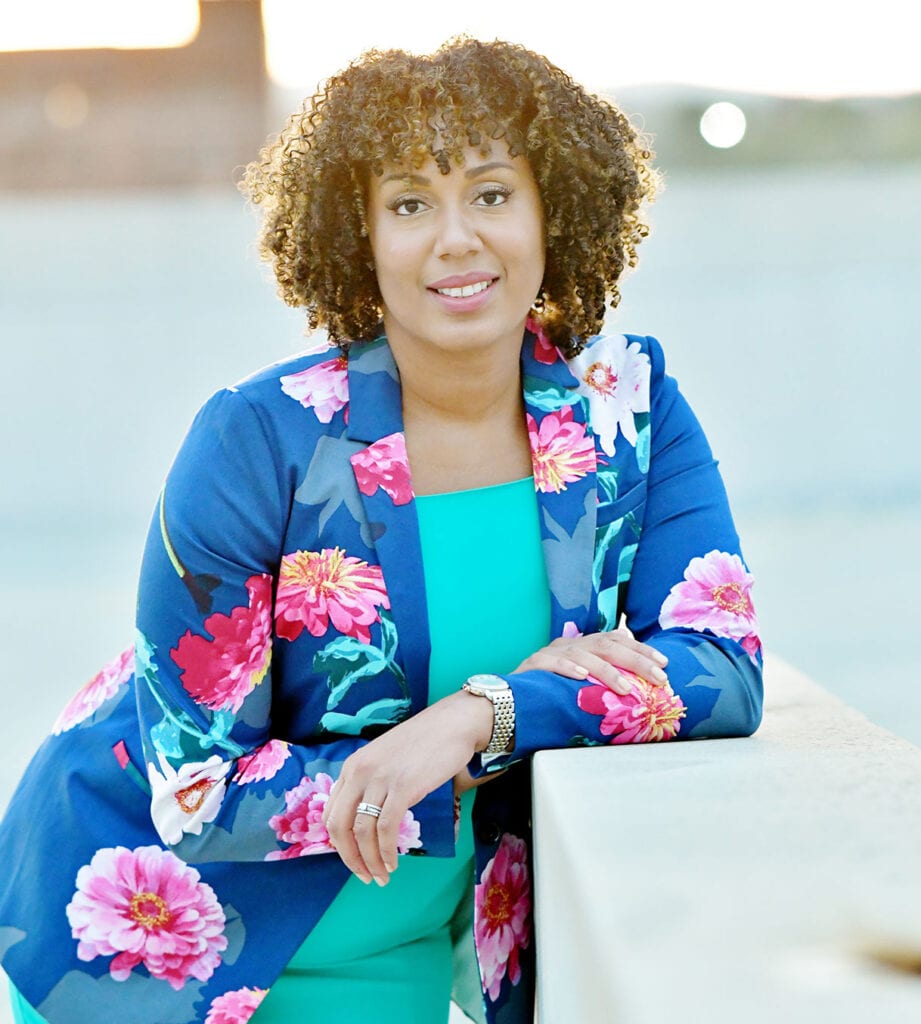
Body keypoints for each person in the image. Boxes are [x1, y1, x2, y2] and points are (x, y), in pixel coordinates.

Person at [0, 37, 763, 1024]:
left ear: (553, 211)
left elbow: (721, 667)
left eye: (492, 193)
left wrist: (481, 716)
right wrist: (429, 761)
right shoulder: (258, 439)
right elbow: (193, 789)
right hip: (154, 959)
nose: (455, 238)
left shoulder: (628, 410)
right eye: (408, 204)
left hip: (396, 954)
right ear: (359, 235)